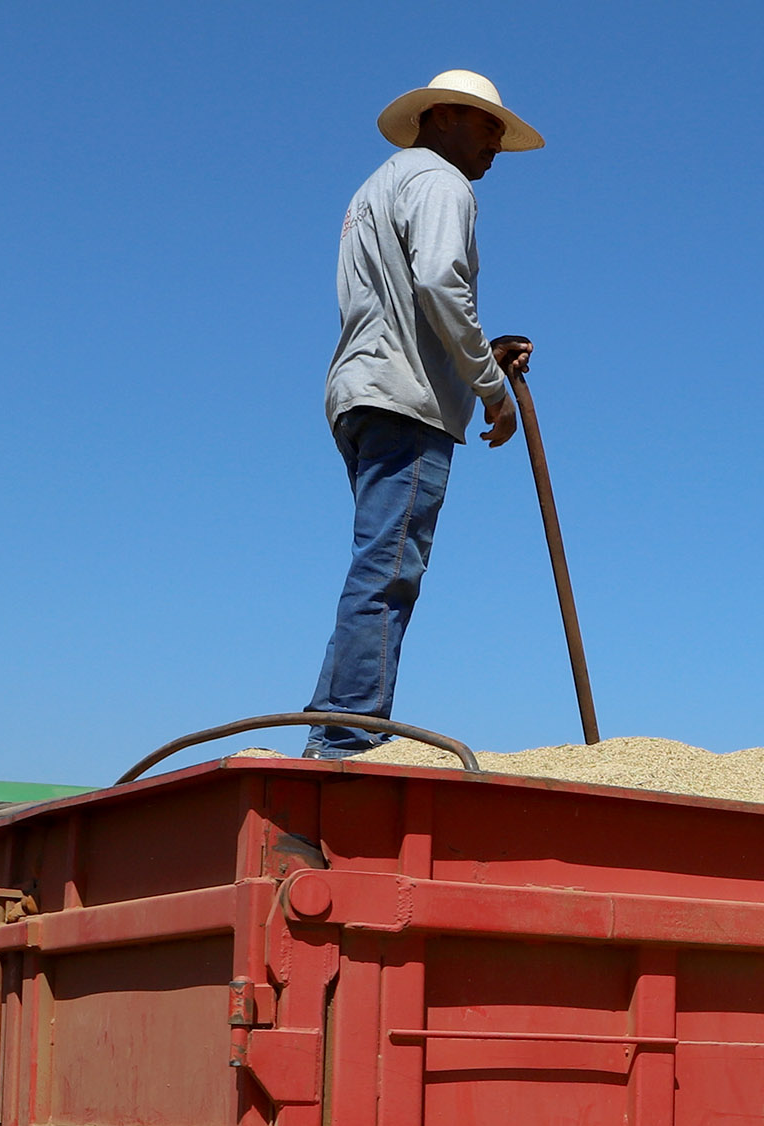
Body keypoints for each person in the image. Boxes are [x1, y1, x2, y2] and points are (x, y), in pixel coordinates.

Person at [304, 70, 545, 757]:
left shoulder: (378, 186)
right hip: (405, 401)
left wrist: (479, 356)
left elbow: (406, 300)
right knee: (389, 568)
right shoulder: (442, 182)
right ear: (442, 118)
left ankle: (331, 723)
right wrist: (491, 390)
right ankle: (349, 735)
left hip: (365, 389)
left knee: (376, 561)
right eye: (488, 125)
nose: (496, 144)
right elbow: (439, 279)